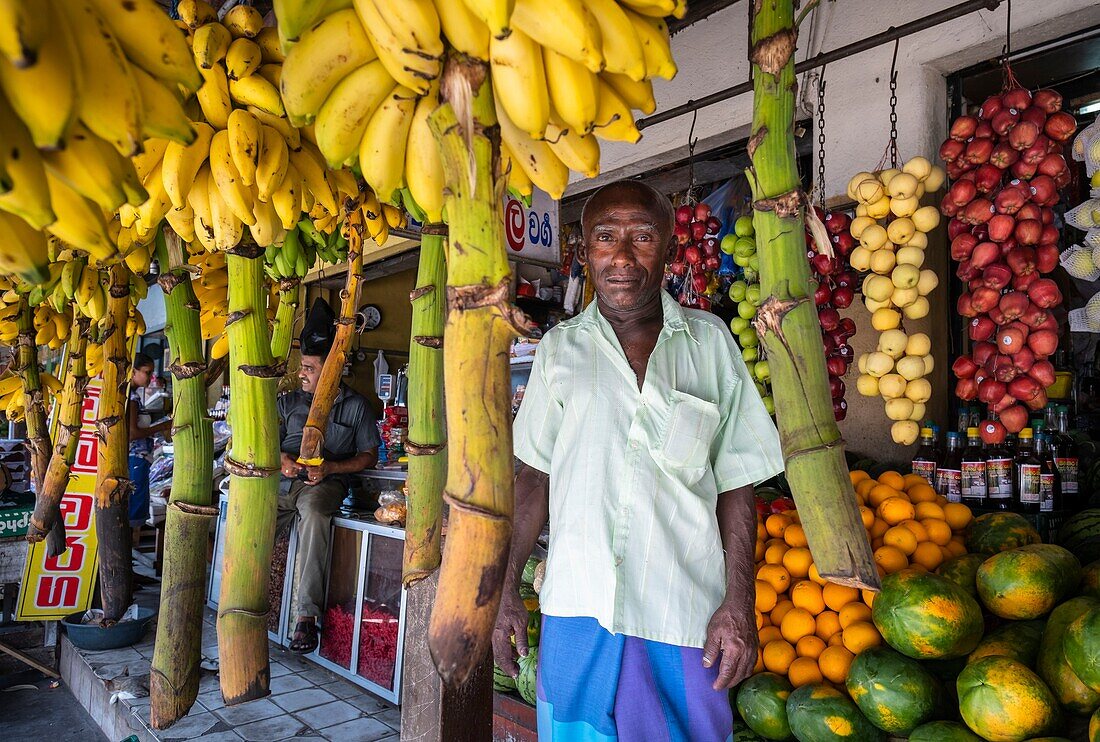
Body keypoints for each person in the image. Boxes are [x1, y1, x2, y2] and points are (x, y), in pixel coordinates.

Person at [495, 181, 785, 740]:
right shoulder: (559, 351)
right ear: (583, 253)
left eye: (643, 237)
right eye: (605, 238)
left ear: (671, 251)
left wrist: (739, 603)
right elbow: (533, 477)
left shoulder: (711, 343)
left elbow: (738, 486)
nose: (622, 257)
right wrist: (507, 589)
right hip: (577, 611)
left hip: (683, 615)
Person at [278, 299, 380, 653]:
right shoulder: (288, 402)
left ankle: (305, 619)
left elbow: (368, 455)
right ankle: (245, 601)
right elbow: (261, 443)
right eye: (301, 367)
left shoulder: (356, 406)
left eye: (308, 367)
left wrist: (331, 468)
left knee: (317, 513)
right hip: (280, 480)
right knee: (246, 510)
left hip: (323, 483)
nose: (301, 373)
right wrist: (282, 460)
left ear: (331, 371)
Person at [128, 353, 170, 548]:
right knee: (132, 512)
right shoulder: (132, 397)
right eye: (147, 372)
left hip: (139, 460)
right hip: (134, 459)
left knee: (135, 510)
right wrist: (162, 426)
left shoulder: (134, 395)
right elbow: (132, 433)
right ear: (133, 371)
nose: (150, 377)